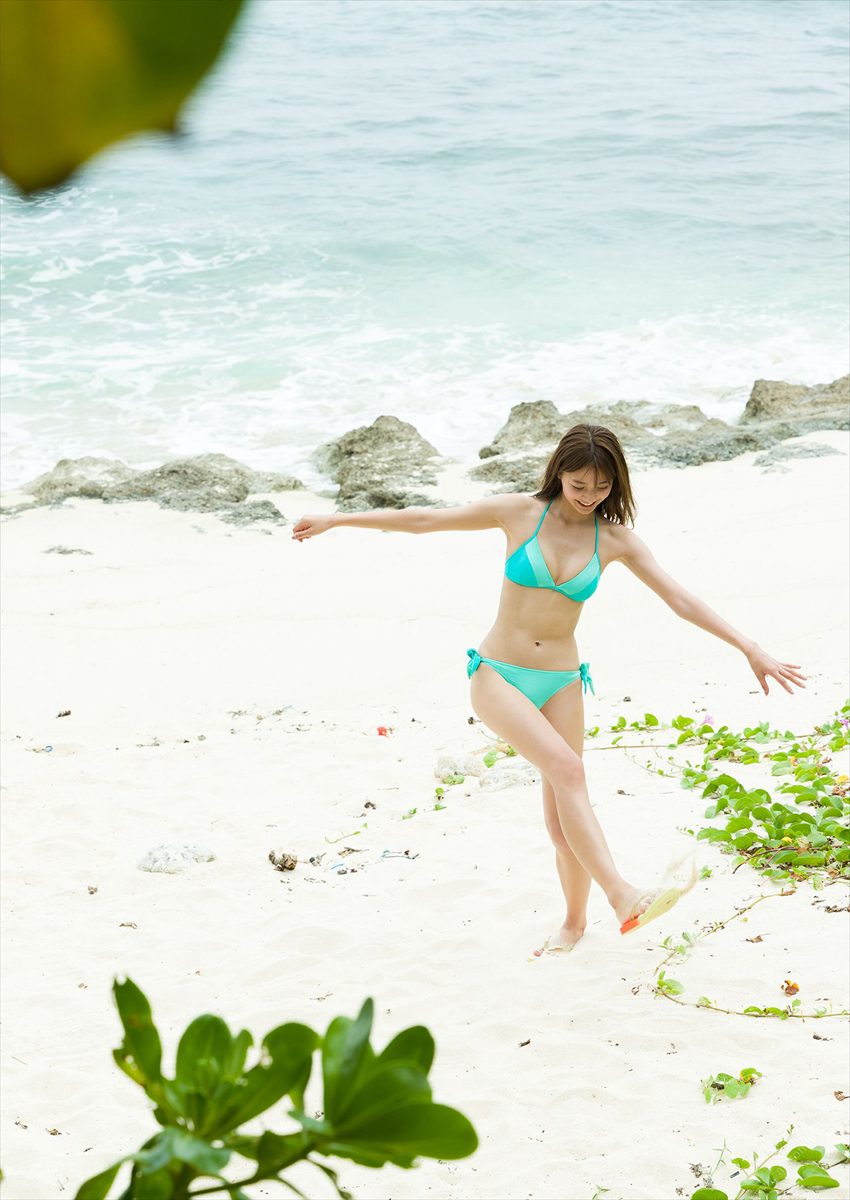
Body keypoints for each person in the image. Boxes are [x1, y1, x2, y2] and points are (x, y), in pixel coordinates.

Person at [292, 423, 806, 954]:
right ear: (559, 473)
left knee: (563, 820)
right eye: (579, 485)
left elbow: (681, 600)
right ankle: (623, 896)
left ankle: (574, 925)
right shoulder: (518, 513)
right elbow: (427, 519)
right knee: (569, 770)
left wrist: (749, 647)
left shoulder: (615, 541)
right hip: (499, 674)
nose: (589, 497)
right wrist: (337, 519)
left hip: (562, 681)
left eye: (601, 487)